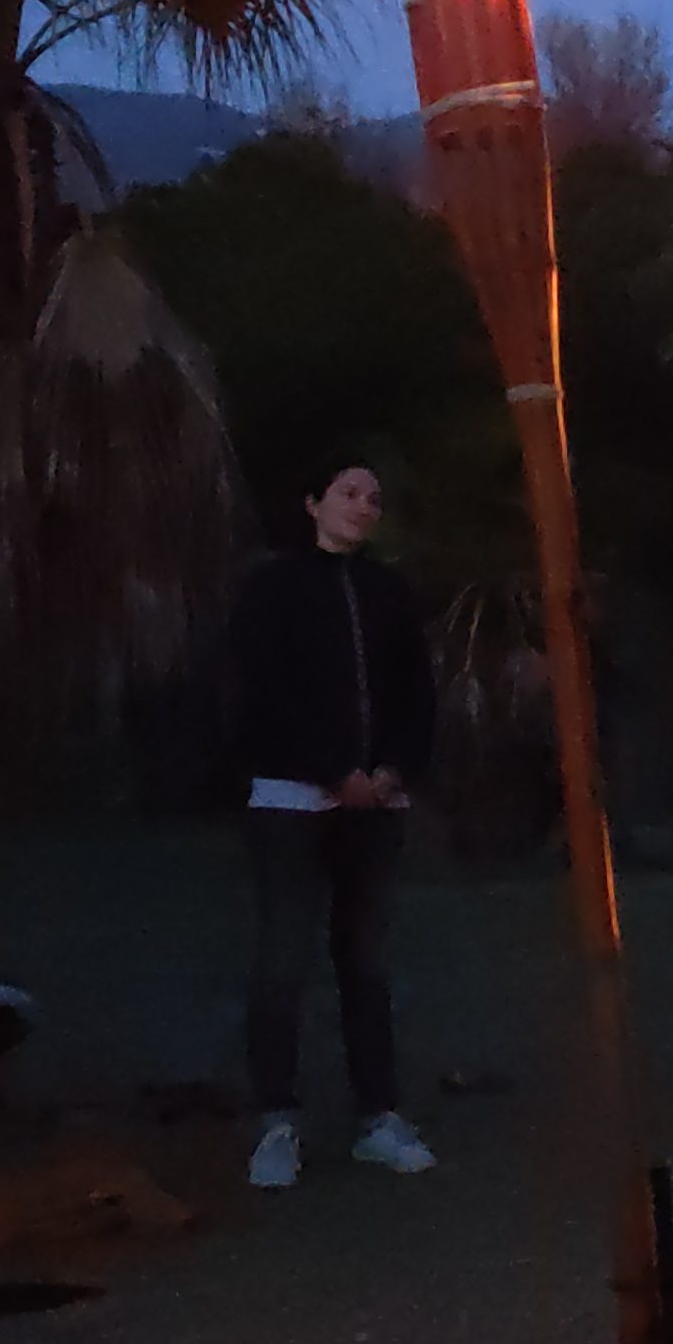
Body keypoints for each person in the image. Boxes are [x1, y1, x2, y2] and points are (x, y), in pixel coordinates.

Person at [225, 459, 439, 1189]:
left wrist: (392, 770)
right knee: (284, 959)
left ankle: (379, 1113)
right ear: (313, 502)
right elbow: (262, 693)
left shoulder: (389, 592)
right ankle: (277, 1119)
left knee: (368, 962)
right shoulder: (273, 589)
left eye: (374, 498)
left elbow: (417, 692)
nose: (363, 507)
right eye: (349, 493)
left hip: (378, 804)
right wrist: (330, 770)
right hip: (291, 799)